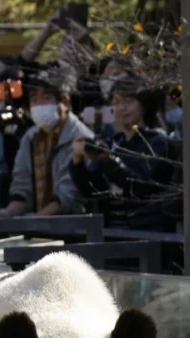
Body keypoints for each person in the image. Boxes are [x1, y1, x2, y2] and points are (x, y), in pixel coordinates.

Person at [70, 76, 179, 230]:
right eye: (116, 102)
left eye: (128, 101)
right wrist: (77, 161)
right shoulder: (114, 143)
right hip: (111, 231)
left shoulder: (158, 142)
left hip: (148, 233)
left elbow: (141, 187)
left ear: (144, 104)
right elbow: (92, 191)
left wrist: (110, 162)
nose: (121, 108)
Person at [0, 64, 89, 218]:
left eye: (46, 97)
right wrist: (7, 214)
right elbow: (22, 186)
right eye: (34, 99)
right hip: (39, 227)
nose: (39, 105)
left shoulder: (80, 137)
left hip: (74, 228)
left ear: (65, 102)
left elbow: (69, 195)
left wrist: (35, 221)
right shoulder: (30, 138)